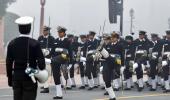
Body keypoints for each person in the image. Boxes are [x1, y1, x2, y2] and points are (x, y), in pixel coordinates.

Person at [6, 16, 45, 100]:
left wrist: (10, 78)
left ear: (19, 28)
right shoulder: (35, 43)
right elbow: (42, 65)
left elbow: (8, 63)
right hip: (30, 78)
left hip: (16, 78)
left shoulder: (12, 43)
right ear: (30, 28)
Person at [50, 26, 72, 99]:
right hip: (56, 60)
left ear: (64, 33)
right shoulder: (55, 40)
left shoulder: (67, 41)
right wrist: (48, 55)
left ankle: (69, 83)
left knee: (60, 58)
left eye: (61, 32)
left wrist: (71, 63)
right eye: (58, 32)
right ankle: (59, 94)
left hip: (64, 58)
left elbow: (70, 52)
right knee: (56, 76)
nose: (59, 33)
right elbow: (52, 51)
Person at [38, 26, 55, 93]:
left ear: (48, 31)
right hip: (42, 56)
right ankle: (45, 85)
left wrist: (49, 54)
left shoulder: (51, 38)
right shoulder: (40, 38)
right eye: (43, 30)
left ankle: (46, 88)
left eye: (45, 31)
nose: (44, 32)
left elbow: (54, 48)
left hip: (48, 57)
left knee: (47, 71)